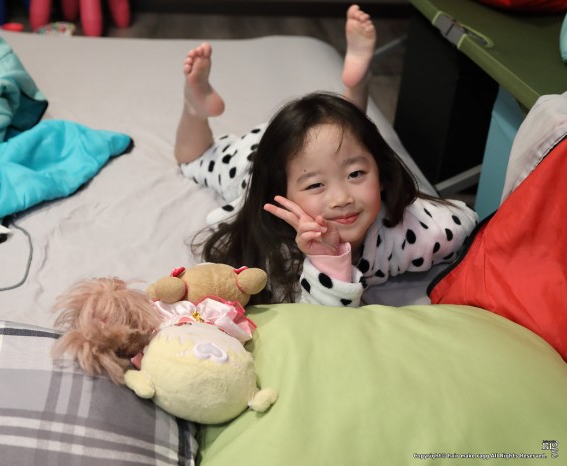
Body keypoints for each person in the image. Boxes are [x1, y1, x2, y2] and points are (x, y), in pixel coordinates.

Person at [175, 5, 478, 307]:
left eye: (356, 175)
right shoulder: (280, 250)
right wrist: (326, 259)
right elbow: (322, 322)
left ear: (382, 176)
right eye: (315, 185)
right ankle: (194, 106)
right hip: (259, 156)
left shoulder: (408, 228)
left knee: (349, 138)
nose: (341, 198)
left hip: (318, 151)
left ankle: (356, 86)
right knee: (194, 158)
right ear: (283, 197)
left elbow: (464, 223)